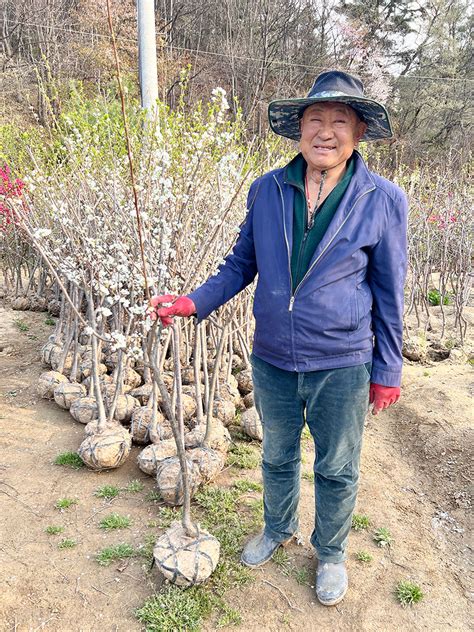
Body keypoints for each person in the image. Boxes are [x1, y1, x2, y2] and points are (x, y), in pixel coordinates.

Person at [150, 70, 408, 607]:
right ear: (299, 129)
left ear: (358, 132)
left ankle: (331, 551)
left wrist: (387, 370)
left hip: (342, 361)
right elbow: (241, 263)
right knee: (276, 456)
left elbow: (389, 292)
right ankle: (277, 527)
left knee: (337, 465)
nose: (326, 131)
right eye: (316, 119)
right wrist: (192, 301)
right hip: (272, 356)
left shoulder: (382, 199)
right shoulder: (267, 189)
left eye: (340, 121)